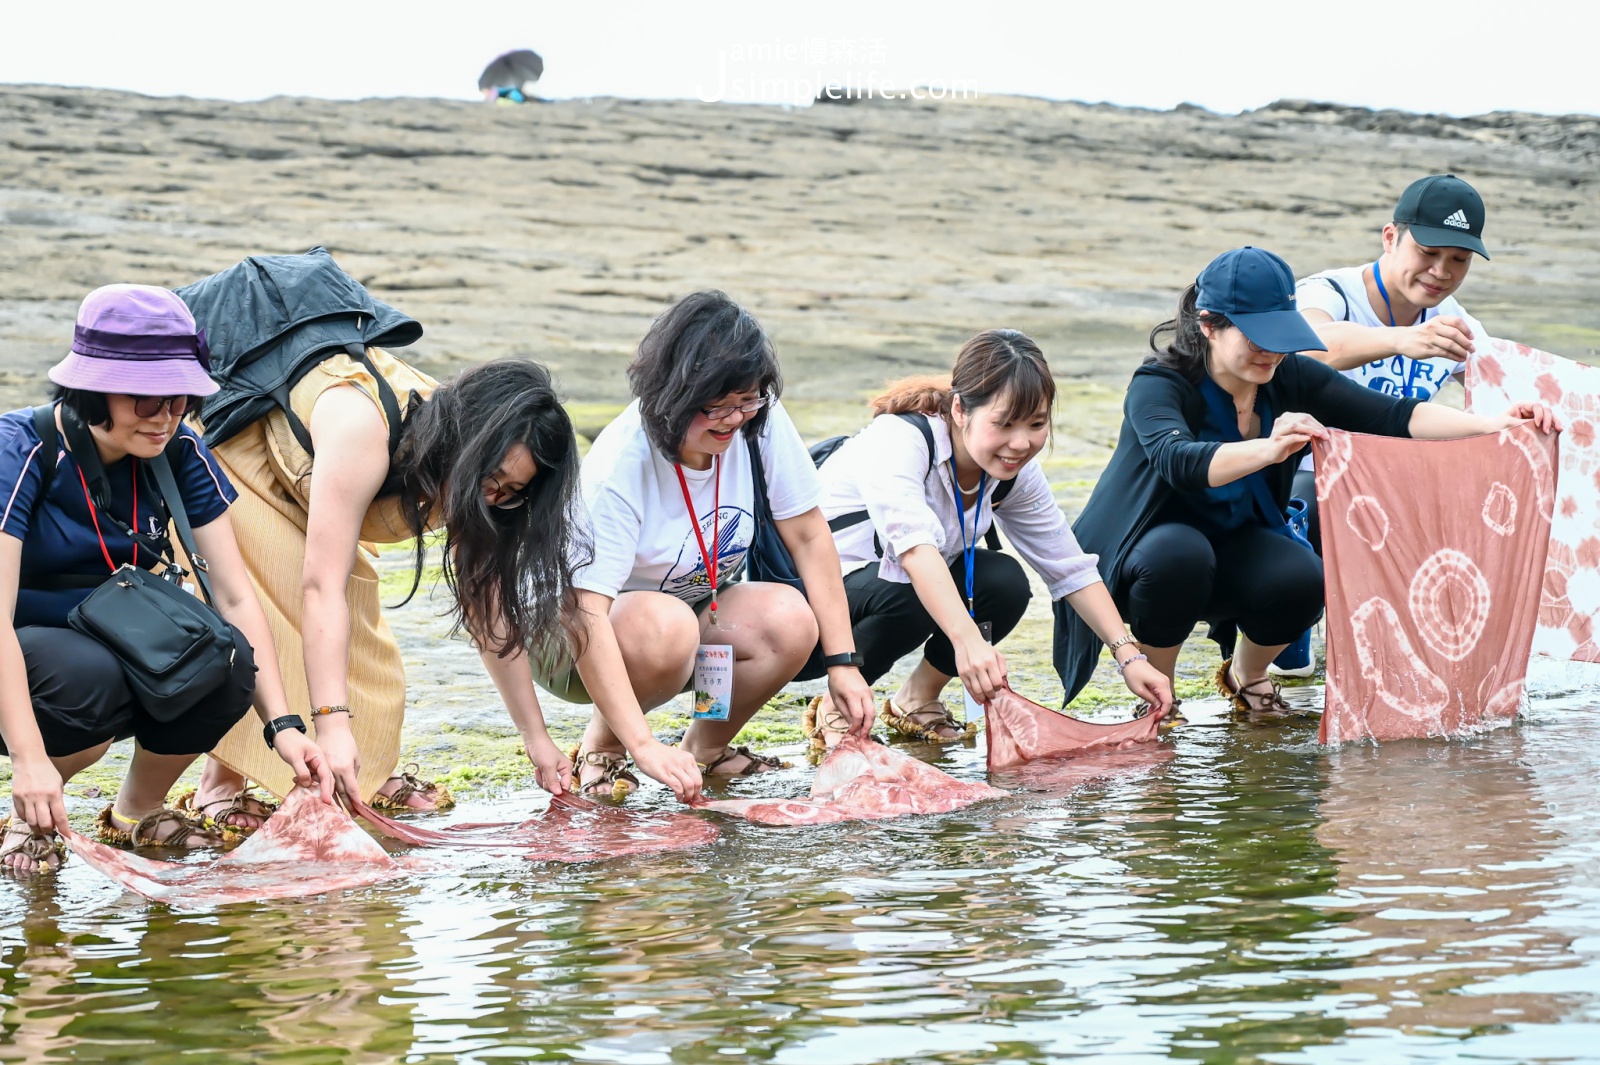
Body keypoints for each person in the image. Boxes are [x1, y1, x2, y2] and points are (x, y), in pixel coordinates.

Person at [1055, 247, 1557, 722]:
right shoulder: (1160, 383)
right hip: (1144, 551)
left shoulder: (1288, 374)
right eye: (1256, 338)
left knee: (1304, 576)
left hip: (1233, 540)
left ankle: (1247, 677)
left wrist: (1494, 425)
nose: (1271, 351)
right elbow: (1178, 461)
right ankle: (1159, 695)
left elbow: (1392, 416)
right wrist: (1271, 449)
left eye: (1281, 335)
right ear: (1209, 326)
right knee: (1180, 554)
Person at [0, 285, 328, 874]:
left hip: (110, 635)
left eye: (179, 400)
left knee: (227, 659)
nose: (165, 418)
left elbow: (232, 596)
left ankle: (137, 812)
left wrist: (284, 727)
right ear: (90, 389)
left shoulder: (179, 451)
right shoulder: (20, 448)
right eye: (145, 400)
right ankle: (32, 812)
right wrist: (28, 758)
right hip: (27, 649)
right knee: (86, 677)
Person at [195, 351, 587, 824]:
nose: (494, 499)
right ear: (469, 442)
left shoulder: (479, 481)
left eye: (512, 492)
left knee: (370, 668)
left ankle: (365, 772)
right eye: (491, 481)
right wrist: (332, 726)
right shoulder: (362, 428)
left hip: (305, 488)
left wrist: (537, 739)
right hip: (237, 473)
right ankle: (220, 783)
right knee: (275, 615)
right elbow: (321, 588)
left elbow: (487, 606)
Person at [539, 290, 874, 799]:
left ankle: (704, 750)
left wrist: (843, 664)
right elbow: (584, 614)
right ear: (670, 394)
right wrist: (643, 743)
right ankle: (602, 751)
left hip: (694, 609)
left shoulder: (758, 419)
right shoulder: (622, 467)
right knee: (668, 628)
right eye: (715, 406)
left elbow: (809, 535)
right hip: (569, 639)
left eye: (745, 402)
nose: (733, 420)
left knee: (788, 620)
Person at [806, 329, 1173, 749]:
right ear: (960, 410)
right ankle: (838, 707)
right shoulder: (900, 439)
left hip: (905, 581)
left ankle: (917, 698)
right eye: (1004, 424)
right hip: (819, 593)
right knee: (913, 588)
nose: (1021, 443)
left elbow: (1068, 566)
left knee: (1003, 582)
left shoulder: (1012, 471)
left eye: (1037, 424)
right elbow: (914, 551)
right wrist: (967, 643)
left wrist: (1129, 657)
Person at [1293, 173, 1492, 551]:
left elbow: (1508, 386)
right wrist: (1400, 339)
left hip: (1396, 484)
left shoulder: (1457, 323)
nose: (1442, 272)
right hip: (1308, 476)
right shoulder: (1327, 291)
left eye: (1459, 259)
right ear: (1390, 238)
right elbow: (1308, 346)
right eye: (1428, 253)